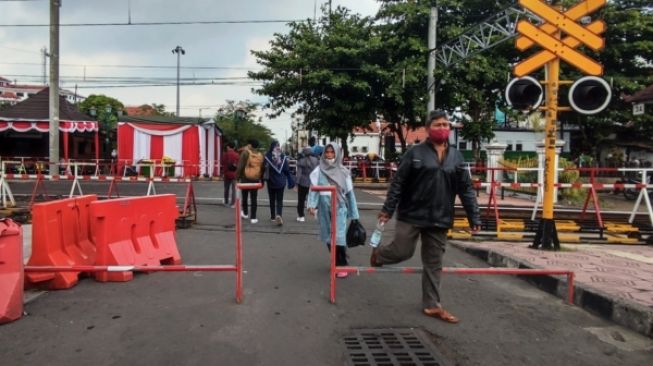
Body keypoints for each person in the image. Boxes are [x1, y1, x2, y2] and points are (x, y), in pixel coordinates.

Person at [370, 110, 480, 324]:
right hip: (411, 213)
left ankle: (432, 305)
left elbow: (465, 189)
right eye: (438, 125)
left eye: (446, 125)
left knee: (434, 263)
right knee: (403, 251)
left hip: (440, 217)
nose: (442, 129)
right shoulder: (415, 152)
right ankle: (379, 256)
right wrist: (388, 209)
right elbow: (398, 183)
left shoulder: (456, 156)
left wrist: (473, 217)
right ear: (428, 128)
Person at [307, 142, 359, 278]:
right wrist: (311, 204)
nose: (329, 155)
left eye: (332, 152)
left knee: (339, 237)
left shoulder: (343, 171)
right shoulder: (318, 170)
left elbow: (350, 194)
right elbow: (313, 189)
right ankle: (336, 260)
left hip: (340, 208)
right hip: (324, 210)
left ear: (337, 154)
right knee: (328, 237)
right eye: (327, 152)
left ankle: (342, 265)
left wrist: (354, 214)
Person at [263, 140, 295, 226]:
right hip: (281, 182)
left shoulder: (267, 156)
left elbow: (263, 168)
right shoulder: (283, 157)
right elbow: (286, 170)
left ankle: (273, 217)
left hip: (271, 182)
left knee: (272, 199)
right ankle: (279, 215)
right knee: (279, 200)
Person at [236, 139, 263, 224]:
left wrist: (237, 176)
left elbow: (240, 165)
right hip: (255, 178)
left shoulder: (245, 153)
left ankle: (245, 213)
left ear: (250, 145)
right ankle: (253, 217)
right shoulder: (260, 155)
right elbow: (262, 167)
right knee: (254, 198)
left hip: (245, 178)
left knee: (245, 196)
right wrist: (260, 178)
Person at [295, 146, 319, 222]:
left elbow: (299, 174)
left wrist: (296, 184)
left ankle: (301, 216)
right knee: (315, 198)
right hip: (313, 182)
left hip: (303, 183)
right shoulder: (316, 160)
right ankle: (316, 212)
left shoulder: (301, 161)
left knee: (301, 200)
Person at [221, 142, 240, 207]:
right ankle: (233, 203)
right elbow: (239, 164)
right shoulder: (237, 155)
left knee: (226, 188)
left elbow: (222, 163)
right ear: (234, 147)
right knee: (234, 189)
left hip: (226, 173)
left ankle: (226, 202)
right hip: (234, 174)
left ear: (228, 147)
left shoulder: (225, 154)